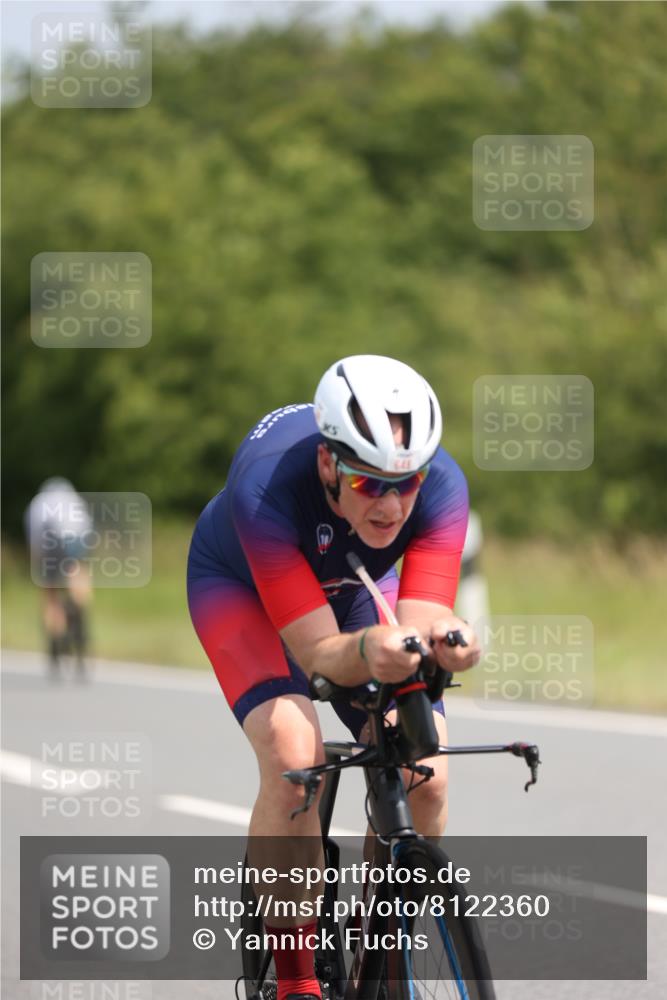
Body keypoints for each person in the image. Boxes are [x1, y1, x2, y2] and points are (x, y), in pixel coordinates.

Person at [187, 355, 481, 1000]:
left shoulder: (443, 486)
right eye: (369, 483)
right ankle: (296, 980)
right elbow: (320, 653)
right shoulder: (265, 484)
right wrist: (374, 647)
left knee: (426, 767)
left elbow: (421, 622)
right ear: (329, 463)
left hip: (349, 588)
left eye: (407, 482)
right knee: (295, 755)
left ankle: (382, 946)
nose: (392, 504)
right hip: (241, 590)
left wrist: (445, 643)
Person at [25, 477, 93, 676]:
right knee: (79, 584)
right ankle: (77, 614)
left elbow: (36, 542)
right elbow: (87, 534)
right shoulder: (76, 501)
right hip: (76, 541)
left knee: (51, 595)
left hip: (51, 542)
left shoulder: (37, 504)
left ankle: (56, 637)